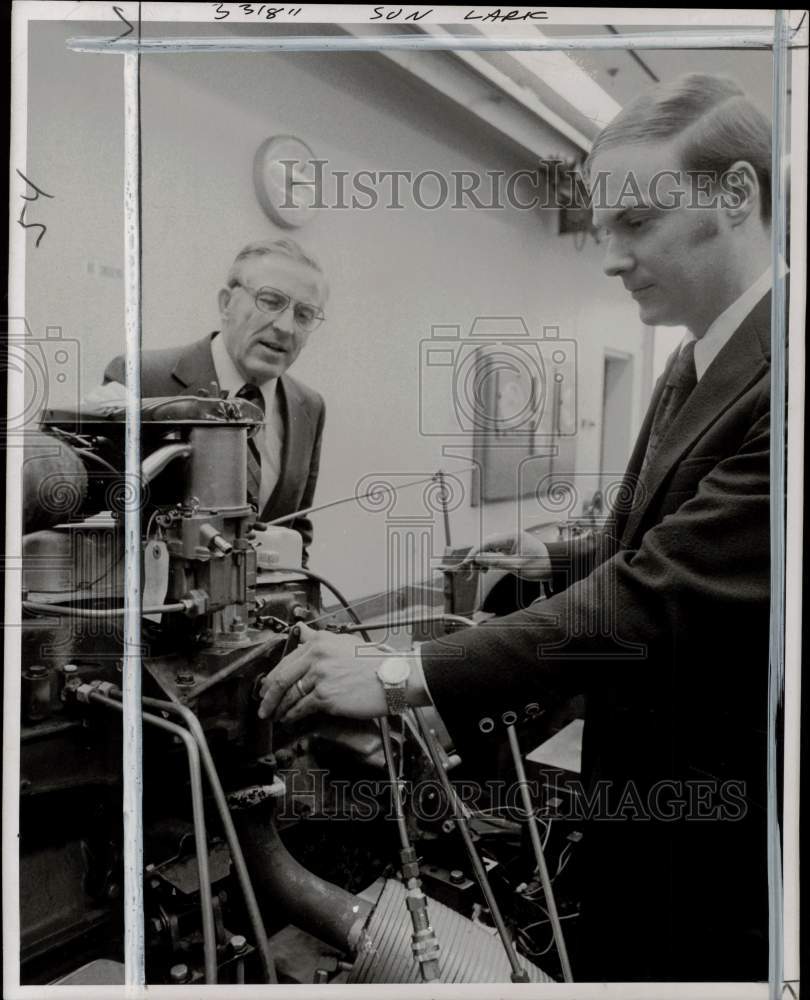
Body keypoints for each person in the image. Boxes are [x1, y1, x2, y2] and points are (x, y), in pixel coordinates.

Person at [257, 75, 778, 982]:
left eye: (637, 222)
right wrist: (559, 552)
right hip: (635, 807)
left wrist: (400, 673)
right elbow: (640, 540)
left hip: (717, 836)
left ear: (736, 195)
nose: (611, 256)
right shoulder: (695, 357)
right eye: (604, 226)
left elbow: (656, 596)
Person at [104, 238, 328, 560]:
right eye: (270, 300)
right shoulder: (139, 379)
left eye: (304, 315)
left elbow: (297, 530)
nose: (285, 327)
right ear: (226, 304)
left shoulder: (310, 407)